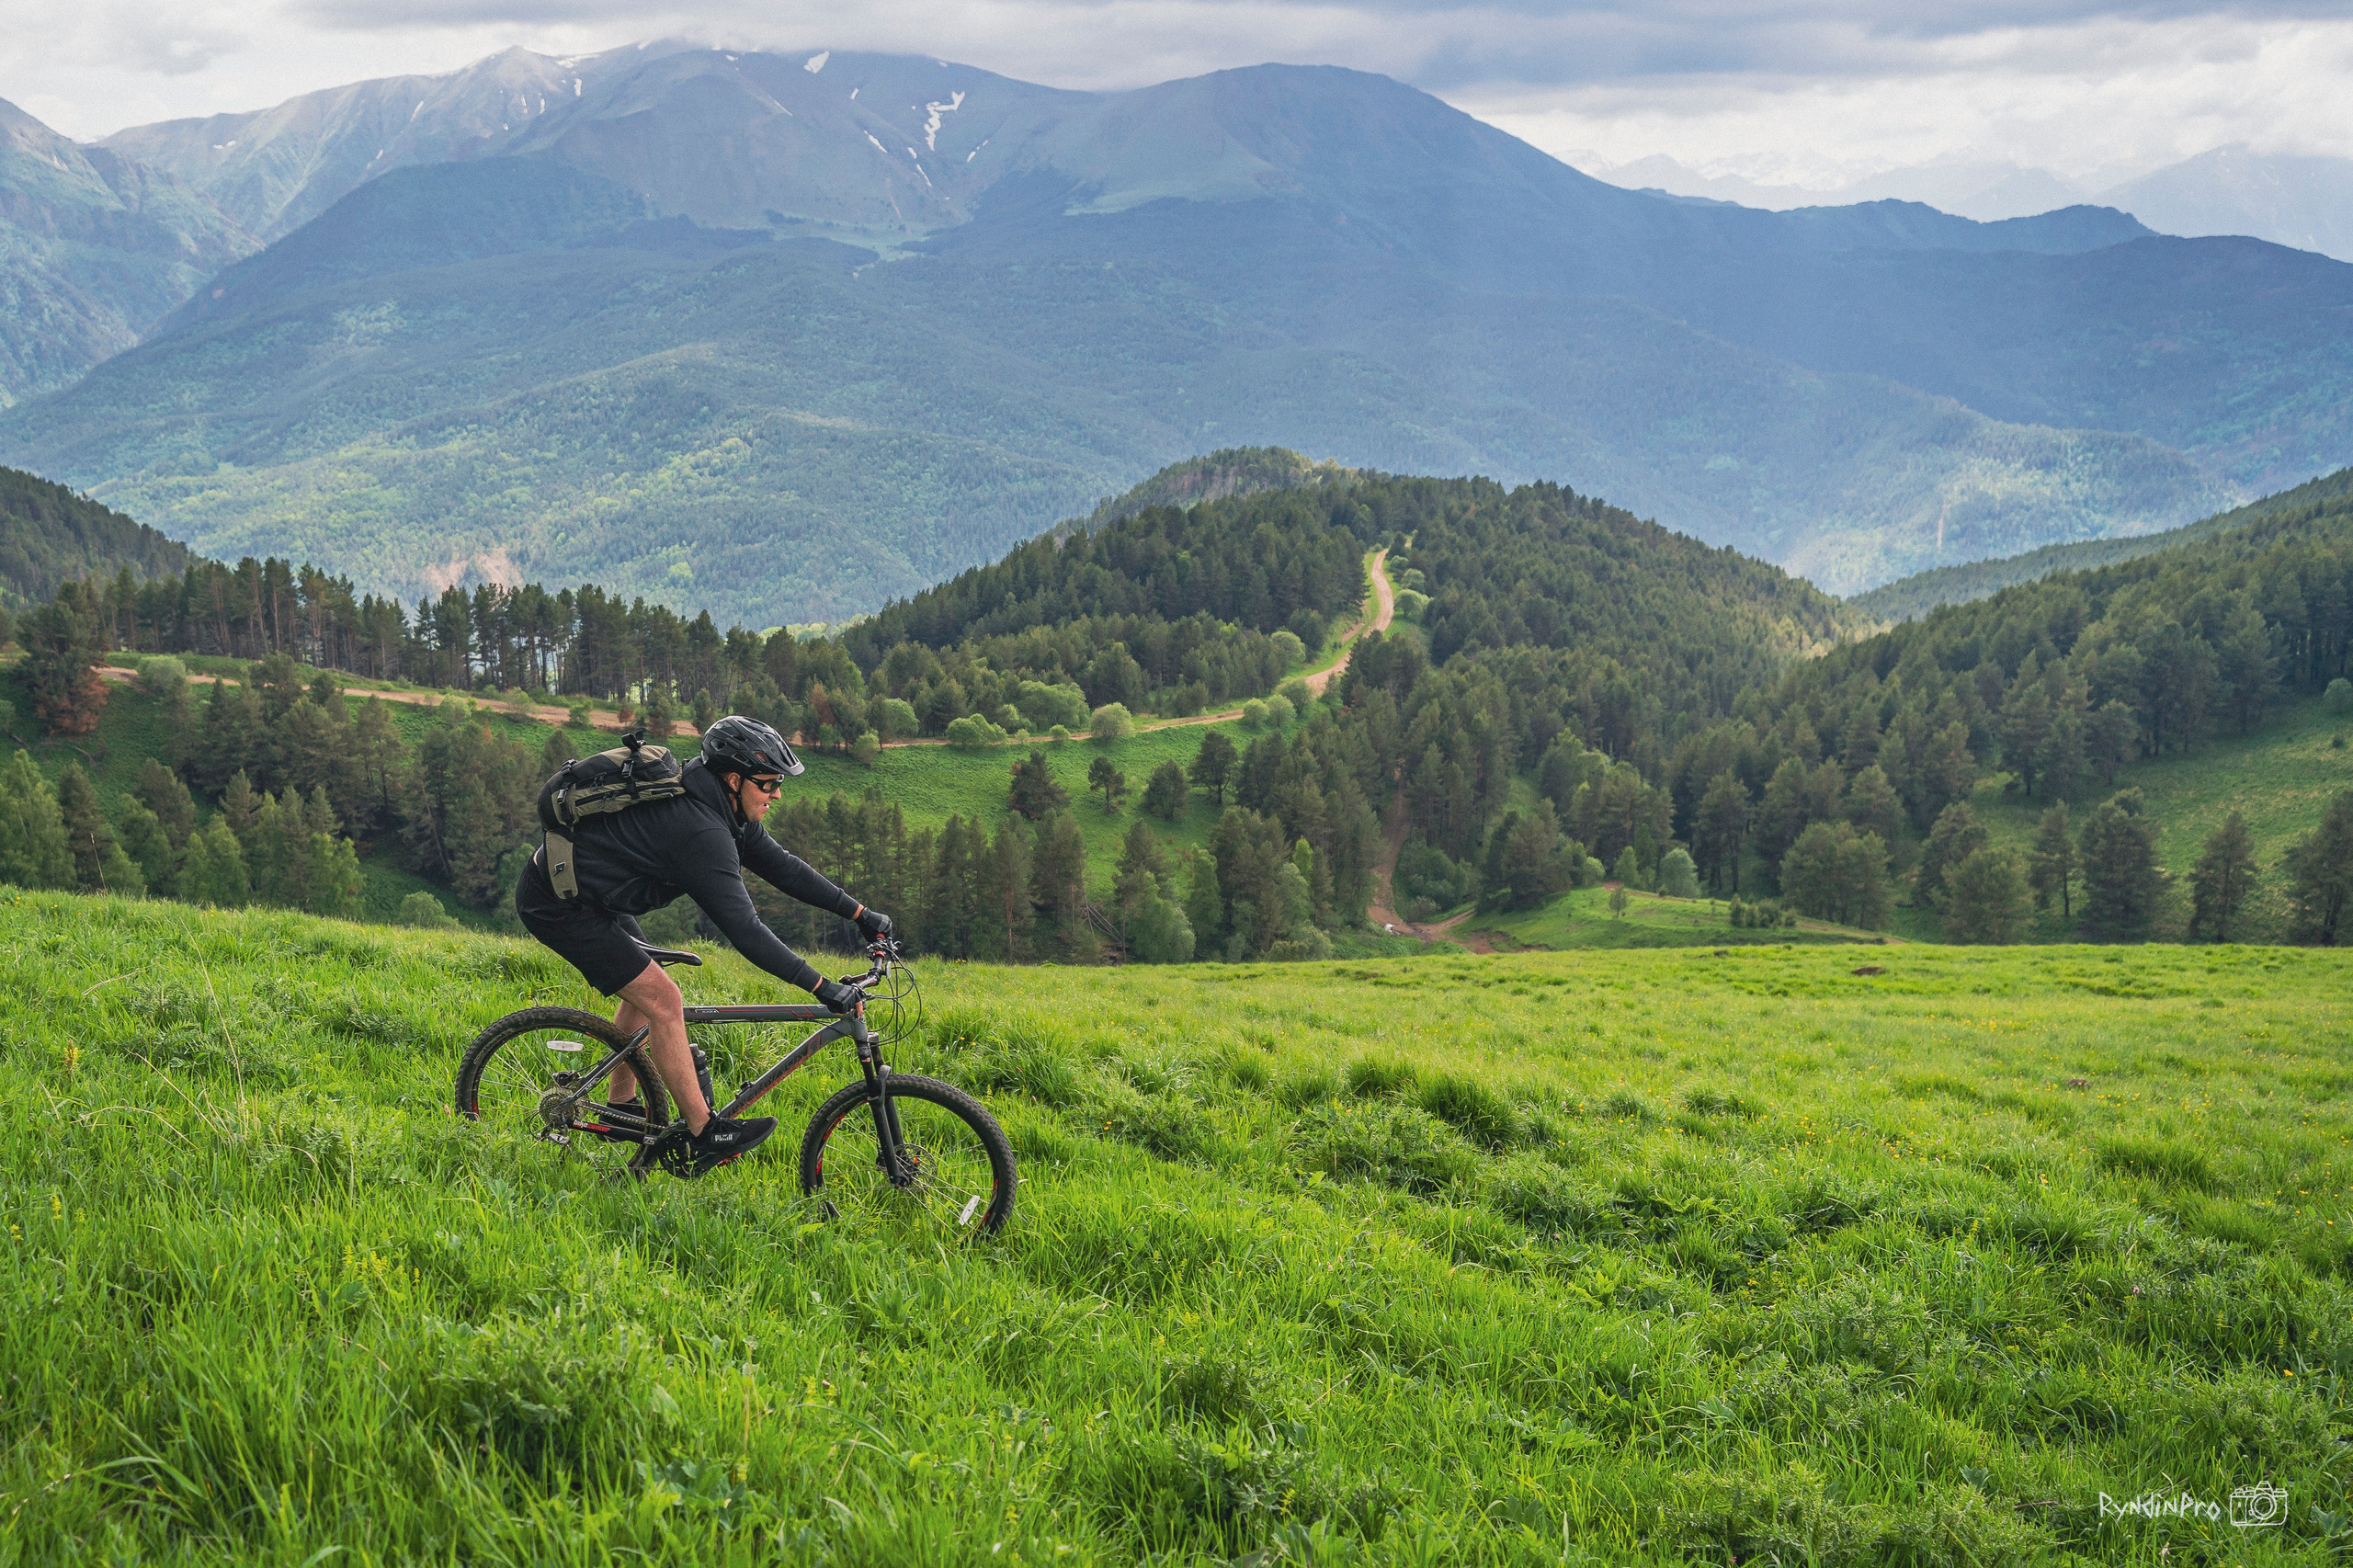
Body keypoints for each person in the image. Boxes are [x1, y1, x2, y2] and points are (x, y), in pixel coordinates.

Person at [514, 714, 893, 1176]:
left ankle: (624, 1104)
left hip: (595, 894)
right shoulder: (701, 833)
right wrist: (820, 986)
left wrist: (861, 915)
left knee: (648, 981)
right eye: (769, 783)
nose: (777, 794)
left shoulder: (719, 805)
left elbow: (784, 868)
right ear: (735, 779)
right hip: (559, 903)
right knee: (663, 999)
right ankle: (705, 1133)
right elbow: (746, 931)